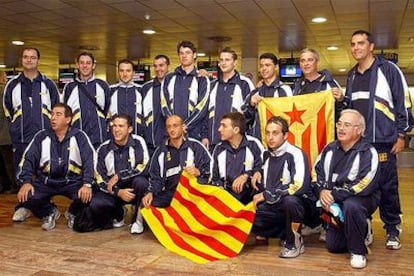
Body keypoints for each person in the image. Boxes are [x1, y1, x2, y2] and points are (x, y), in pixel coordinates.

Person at [340, 30, 411, 250]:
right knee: (360, 187)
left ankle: (392, 229)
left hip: (383, 141)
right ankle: (365, 226)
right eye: (353, 44)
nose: (356, 48)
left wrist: (402, 135)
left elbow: (403, 102)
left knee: (387, 186)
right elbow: (351, 108)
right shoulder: (351, 75)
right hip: (359, 144)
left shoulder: (389, 70)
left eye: (361, 43)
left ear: (371, 46)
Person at [313, 109, 379, 269]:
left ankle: (358, 252)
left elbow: (364, 185)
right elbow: (316, 172)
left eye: (347, 125)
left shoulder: (368, 152)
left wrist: (334, 195)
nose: (341, 128)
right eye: (339, 124)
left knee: (352, 205)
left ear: (359, 130)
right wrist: (322, 192)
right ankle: (357, 228)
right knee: (334, 247)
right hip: (332, 200)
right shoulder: (329, 149)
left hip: (361, 199)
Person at [14, 103, 96, 231]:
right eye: (52, 114)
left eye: (58, 115)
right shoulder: (41, 136)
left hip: (72, 182)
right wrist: (26, 181)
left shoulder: (80, 136)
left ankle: (73, 213)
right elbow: (27, 159)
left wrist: (87, 183)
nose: (53, 118)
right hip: (46, 182)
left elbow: (90, 161)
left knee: (91, 196)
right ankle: (49, 212)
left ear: (68, 119)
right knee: (27, 195)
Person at [3, 47, 60, 220]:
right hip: (21, 139)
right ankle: (23, 206)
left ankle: (47, 207)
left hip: (45, 139)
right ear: (22, 60)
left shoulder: (48, 84)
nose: (29, 60)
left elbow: (57, 109)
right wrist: (16, 128)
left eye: (33, 57)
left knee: (44, 175)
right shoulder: (12, 85)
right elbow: (9, 111)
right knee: (22, 173)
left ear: (38, 60)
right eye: (26, 57)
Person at [75, 114, 150, 234]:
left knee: (142, 182)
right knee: (95, 204)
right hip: (113, 190)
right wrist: (118, 192)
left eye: (121, 126)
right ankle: (118, 215)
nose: (116, 129)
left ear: (129, 129)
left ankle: (138, 220)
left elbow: (144, 166)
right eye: (114, 126)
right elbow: (99, 178)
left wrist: (119, 175)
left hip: (132, 186)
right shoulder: (103, 148)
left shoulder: (138, 142)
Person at [251, 116, 313, 258]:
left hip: (299, 205)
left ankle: (294, 242)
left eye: (275, 133)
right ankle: (286, 232)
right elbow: (263, 173)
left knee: (291, 201)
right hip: (274, 205)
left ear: (285, 135)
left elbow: (300, 186)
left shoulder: (296, 154)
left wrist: (268, 195)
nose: (270, 137)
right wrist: (256, 172)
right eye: (267, 133)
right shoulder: (266, 154)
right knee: (248, 218)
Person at [142, 115, 211, 209]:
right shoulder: (160, 151)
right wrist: (150, 192)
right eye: (169, 126)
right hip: (170, 194)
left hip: (193, 193)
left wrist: (199, 172)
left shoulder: (196, 146)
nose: (172, 129)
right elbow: (155, 177)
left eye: (175, 126)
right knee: (148, 206)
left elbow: (210, 169)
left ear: (183, 127)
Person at [204, 47, 254, 150]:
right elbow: (205, 112)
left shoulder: (244, 83)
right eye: (221, 60)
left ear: (235, 62)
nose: (224, 63)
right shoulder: (212, 85)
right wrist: (205, 135)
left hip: (235, 143)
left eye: (227, 60)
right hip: (213, 141)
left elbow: (250, 112)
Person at [161, 40, 210, 142]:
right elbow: (164, 103)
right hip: (172, 134)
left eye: (187, 53)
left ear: (194, 55)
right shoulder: (169, 78)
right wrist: (174, 126)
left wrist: (185, 126)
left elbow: (202, 107)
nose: (184, 56)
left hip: (193, 134)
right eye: (181, 53)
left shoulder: (202, 79)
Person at [211, 112, 264, 204]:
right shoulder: (219, 148)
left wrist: (246, 175)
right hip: (226, 196)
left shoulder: (253, 144)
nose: (219, 129)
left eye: (224, 126)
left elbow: (262, 168)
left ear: (236, 130)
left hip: (250, 196)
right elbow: (214, 177)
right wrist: (219, 188)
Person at [62, 52, 111, 149]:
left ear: (93, 65)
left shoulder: (103, 86)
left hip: (99, 139)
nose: (85, 66)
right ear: (77, 65)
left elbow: (108, 111)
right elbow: (65, 114)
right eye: (82, 63)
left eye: (88, 63)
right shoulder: (69, 87)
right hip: (77, 140)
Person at [244, 53, 293, 139]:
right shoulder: (255, 92)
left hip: (278, 141)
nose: (264, 69)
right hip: (258, 140)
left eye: (268, 65)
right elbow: (244, 120)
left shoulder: (284, 90)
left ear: (276, 67)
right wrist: (251, 106)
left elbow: (290, 116)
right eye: (261, 66)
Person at [141, 54, 170, 155]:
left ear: (168, 66)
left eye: (161, 65)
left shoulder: (175, 85)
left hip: (171, 143)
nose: (158, 69)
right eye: (155, 66)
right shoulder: (146, 88)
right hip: (151, 144)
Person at [109, 59, 143, 136]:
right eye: (121, 71)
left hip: (137, 135)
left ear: (133, 73)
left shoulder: (142, 90)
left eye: (128, 71)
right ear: (118, 72)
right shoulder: (110, 90)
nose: (125, 74)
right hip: (115, 137)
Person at [0, 71, 15, 193]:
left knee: (5, 163)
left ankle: (7, 185)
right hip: (9, 134)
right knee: (10, 162)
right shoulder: (8, 92)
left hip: (4, 134)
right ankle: (13, 185)